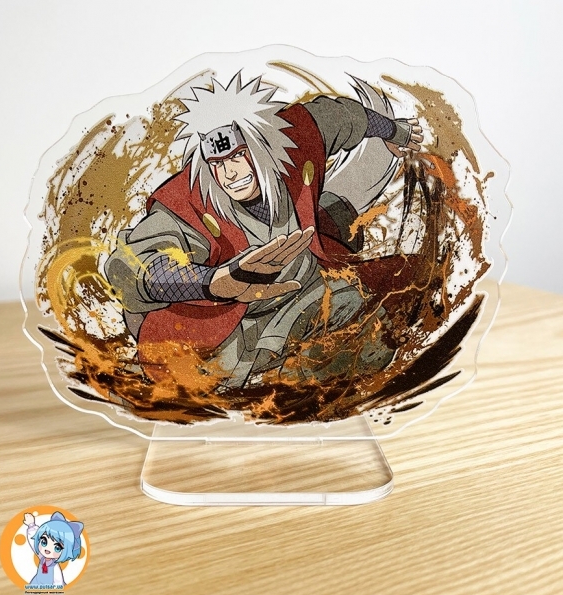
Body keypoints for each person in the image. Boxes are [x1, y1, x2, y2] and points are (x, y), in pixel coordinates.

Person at [105, 72, 422, 388]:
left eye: (238, 156)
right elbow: (131, 266)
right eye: (218, 163)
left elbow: (344, 117)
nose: (230, 173)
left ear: (261, 144)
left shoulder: (293, 137)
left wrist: (397, 132)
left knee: (373, 345)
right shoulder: (189, 199)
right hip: (235, 324)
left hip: (308, 286)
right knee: (205, 382)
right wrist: (213, 282)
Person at [24, 511, 84, 588]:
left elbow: (58, 583)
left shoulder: (55, 568)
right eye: (44, 542)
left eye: (57, 548)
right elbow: (33, 540)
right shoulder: (42, 557)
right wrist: (31, 525)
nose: (48, 549)